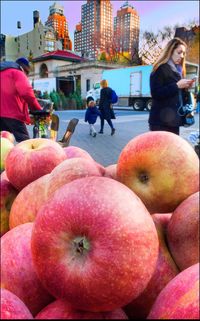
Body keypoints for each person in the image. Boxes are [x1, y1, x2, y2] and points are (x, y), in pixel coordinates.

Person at [149, 37, 196, 135]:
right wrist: (177, 86)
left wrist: (186, 87)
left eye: (183, 53)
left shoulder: (178, 71)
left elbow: (176, 95)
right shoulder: (160, 68)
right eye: (179, 52)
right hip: (160, 122)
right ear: (170, 51)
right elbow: (156, 93)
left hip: (174, 121)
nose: (182, 56)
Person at [0, 57, 42, 142]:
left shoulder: (3, 72)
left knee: (4, 141)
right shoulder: (17, 72)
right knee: (25, 143)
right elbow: (26, 92)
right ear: (25, 68)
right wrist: (37, 108)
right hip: (12, 114)